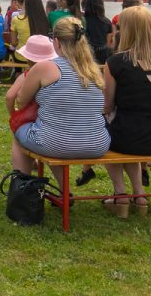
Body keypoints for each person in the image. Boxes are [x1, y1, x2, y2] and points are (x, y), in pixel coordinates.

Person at [7, 17, 110, 189]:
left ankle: (23, 189)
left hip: (55, 142)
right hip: (97, 143)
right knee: (53, 135)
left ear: (56, 42)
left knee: (21, 135)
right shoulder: (93, 70)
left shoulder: (45, 68)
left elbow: (21, 100)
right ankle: (63, 191)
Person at [99, 6, 151, 216]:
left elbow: (107, 105)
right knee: (127, 128)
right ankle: (139, 194)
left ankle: (120, 194)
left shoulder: (116, 62)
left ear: (125, 31)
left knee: (106, 130)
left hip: (127, 135)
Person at [82, 0, 113, 64]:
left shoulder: (82, 20)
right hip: (103, 53)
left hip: (86, 53)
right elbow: (108, 43)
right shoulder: (107, 21)